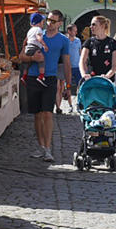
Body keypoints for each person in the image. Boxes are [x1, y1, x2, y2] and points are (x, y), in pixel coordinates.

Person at [17, 10, 69, 162]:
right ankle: (41, 147)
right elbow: (21, 56)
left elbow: (66, 63)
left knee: (47, 113)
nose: (49, 23)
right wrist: (32, 57)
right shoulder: (36, 33)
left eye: (53, 21)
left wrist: (68, 84)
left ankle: (48, 148)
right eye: (48, 20)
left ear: (60, 23)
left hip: (50, 78)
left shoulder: (63, 40)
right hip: (33, 78)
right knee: (37, 114)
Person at [80, 16, 116, 81]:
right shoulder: (89, 42)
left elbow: (115, 66)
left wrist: (107, 76)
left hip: (106, 82)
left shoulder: (112, 43)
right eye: (91, 25)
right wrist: (84, 74)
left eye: (93, 24)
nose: (90, 27)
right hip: (90, 80)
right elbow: (82, 61)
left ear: (102, 26)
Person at [20, 12, 47, 85]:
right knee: (41, 60)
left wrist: (24, 47)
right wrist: (44, 45)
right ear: (39, 22)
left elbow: (25, 40)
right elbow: (39, 38)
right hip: (35, 47)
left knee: (27, 63)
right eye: (42, 22)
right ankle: (41, 76)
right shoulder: (38, 29)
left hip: (28, 47)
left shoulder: (30, 30)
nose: (42, 23)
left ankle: (24, 76)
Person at [62, 23, 82, 113]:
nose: (76, 32)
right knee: (68, 87)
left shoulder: (78, 40)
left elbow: (80, 52)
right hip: (68, 68)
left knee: (80, 86)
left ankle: (78, 103)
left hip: (77, 67)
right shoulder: (64, 41)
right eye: (74, 30)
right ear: (69, 31)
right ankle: (70, 105)